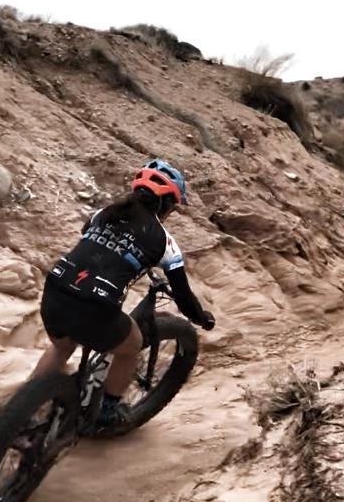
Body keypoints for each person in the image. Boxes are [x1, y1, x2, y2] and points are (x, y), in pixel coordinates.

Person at [31, 159, 215, 430]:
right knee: (132, 346)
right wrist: (201, 318)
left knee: (62, 346)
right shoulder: (164, 241)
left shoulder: (103, 213)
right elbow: (183, 296)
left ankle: (22, 410)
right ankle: (107, 413)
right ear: (166, 205)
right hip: (96, 307)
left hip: (55, 291)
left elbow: (91, 239)